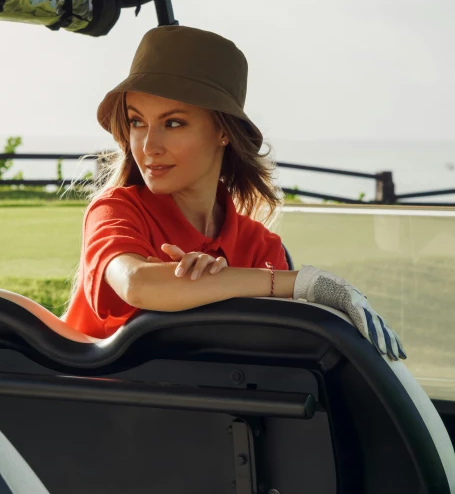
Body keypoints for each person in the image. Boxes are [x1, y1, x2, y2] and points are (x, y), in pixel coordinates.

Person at [62, 25, 405, 360]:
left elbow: (268, 358)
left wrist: (213, 282)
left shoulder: (261, 247)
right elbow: (136, 284)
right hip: (91, 410)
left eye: (173, 123)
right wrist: (304, 283)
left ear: (223, 132)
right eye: (137, 122)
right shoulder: (115, 211)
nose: (149, 146)